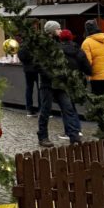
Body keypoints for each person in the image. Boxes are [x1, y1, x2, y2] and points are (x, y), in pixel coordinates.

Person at [26, 20, 83, 148]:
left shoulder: (59, 43)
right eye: (58, 29)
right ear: (52, 31)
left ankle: (73, 136)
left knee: (67, 107)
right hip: (48, 83)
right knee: (46, 110)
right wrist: (49, 74)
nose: (60, 30)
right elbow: (38, 64)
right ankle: (43, 136)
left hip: (60, 82)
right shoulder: (42, 45)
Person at [57, 29, 92, 139]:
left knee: (66, 107)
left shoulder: (57, 51)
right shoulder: (79, 50)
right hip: (77, 82)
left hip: (63, 82)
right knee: (70, 106)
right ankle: (75, 129)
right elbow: (88, 69)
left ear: (60, 38)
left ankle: (72, 130)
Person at [17, 37, 40, 116]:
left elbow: (21, 57)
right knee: (40, 88)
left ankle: (29, 109)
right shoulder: (35, 44)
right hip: (36, 69)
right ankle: (41, 109)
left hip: (27, 69)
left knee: (29, 88)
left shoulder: (22, 46)